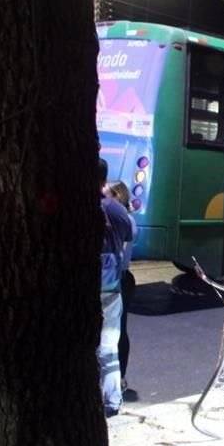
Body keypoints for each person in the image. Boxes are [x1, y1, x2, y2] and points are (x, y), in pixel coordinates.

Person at [98, 159, 133, 417]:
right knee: (109, 346)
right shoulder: (118, 210)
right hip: (111, 286)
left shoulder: (79, 203)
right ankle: (112, 399)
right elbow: (131, 236)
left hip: (84, 286)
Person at [108, 181, 137, 393]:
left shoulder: (123, 219)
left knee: (117, 331)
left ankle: (120, 377)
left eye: (106, 194)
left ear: (117, 195)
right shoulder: (124, 217)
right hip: (119, 277)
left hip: (119, 277)